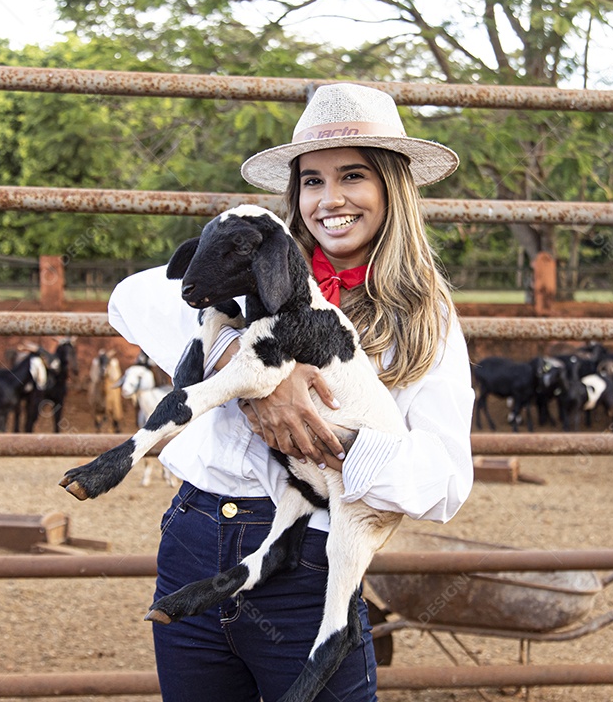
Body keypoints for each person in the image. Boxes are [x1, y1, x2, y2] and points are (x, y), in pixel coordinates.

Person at [107, 82, 474, 702]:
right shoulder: (252, 263)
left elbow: (443, 482)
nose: (330, 200)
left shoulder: (424, 315)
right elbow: (130, 297)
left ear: (393, 187)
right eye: (311, 181)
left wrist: (340, 441)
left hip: (309, 556)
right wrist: (250, 375)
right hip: (195, 537)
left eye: (352, 176)